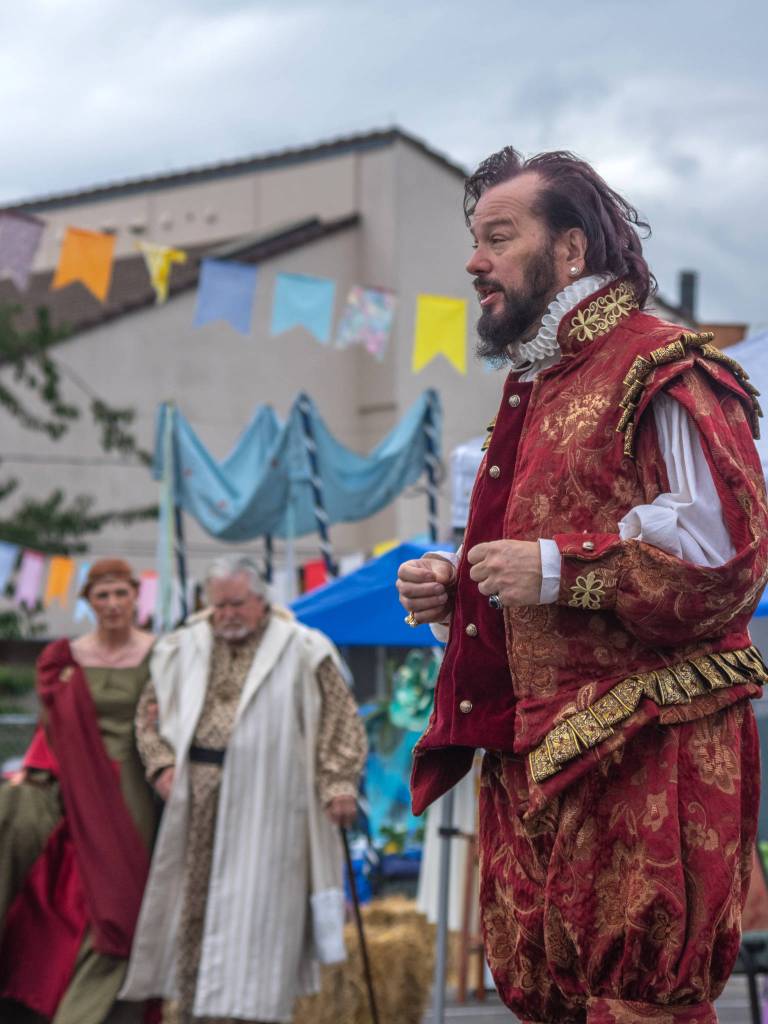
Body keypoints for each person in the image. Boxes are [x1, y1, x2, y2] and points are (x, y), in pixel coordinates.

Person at [397, 147, 768, 1024]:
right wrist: (464, 588)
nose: (473, 261)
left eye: (498, 236)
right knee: (550, 997)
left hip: (642, 740)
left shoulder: (661, 364)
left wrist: (560, 568)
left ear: (570, 251)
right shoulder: (536, 383)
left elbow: (729, 560)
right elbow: (541, 554)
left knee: (639, 1003)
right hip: (531, 748)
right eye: (473, 239)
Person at [120, 555, 367, 1024]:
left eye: (236, 604)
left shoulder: (302, 648)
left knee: (259, 912)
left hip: (271, 799)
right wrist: (161, 767)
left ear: (260, 600)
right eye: (218, 606)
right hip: (196, 798)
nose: (226, 615)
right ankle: (190, 1009)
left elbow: (341, 721)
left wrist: (338, 784)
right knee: (193, 905)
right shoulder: (182, 648)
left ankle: (249, 1014)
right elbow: (148, 717)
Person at [0, 558, 157, 1024]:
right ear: (89, 603)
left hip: (132, 785)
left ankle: (100, 1009)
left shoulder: (163, 654)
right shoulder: (63, 659)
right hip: (75, 781)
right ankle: (54, 998)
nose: (112, 604)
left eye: (120, 593)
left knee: (120, 896)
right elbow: (51, 728)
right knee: (68, 896)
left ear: (135, 596)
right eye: (101, 596)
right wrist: (29, 770)